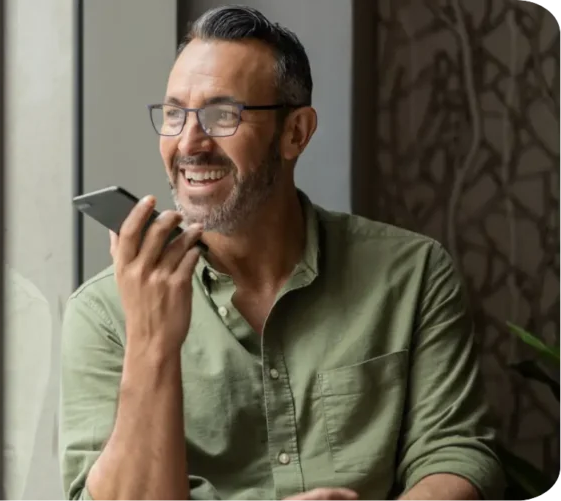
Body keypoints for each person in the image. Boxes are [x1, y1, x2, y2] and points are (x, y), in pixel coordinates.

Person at [58, 5, 503, 501]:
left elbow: (455, 452)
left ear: (296, 132)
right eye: (174, 113)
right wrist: (150, 342)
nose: (189, 142)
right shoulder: (102, 314)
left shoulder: (413, 273)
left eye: (222, 114)